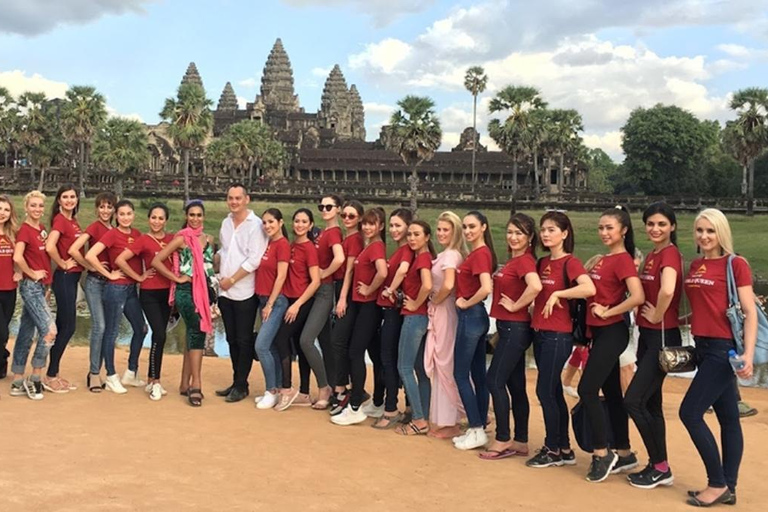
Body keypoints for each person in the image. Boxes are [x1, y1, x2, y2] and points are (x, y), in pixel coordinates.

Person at [680, 208, 755, 507]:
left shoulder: (736, 264)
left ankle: (717, 483)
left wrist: (747, 354)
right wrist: (678, 321)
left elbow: (748, 313)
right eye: (700, 230)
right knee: (728, 418)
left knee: (690, 413)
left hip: (724, 351)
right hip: (702, 346)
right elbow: (705, 308)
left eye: (710, 231)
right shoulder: (696, 265)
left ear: (721, 232)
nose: (704, 236)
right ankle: (730, 487)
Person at [580, 206, 645, 483]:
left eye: (610, 227)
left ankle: (601, 452)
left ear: (624, 230)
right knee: (612, 393)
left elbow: (638, 295)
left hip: (612, 331)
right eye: (601, 227)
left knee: (586, 389)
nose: (604, 232)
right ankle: (624, 451)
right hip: (601, 333)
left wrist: (609, 311)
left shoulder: (623, 260)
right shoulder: (605, 259)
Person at [526, 211, 595, 469]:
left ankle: (552, 448)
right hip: (540, 332)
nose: (546, 234)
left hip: (559, 334)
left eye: (552, 229)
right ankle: (563, 447)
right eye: (543, 229)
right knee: (553, 389)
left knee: (544, 390)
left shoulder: (571, 262)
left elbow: (589, 288)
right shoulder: (542, 262)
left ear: (565, 233)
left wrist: (559, 295)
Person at [623, 202, 683, 489]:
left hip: (661, 337)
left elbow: (668, 289)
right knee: (651, 403)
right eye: (650, 224)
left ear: (672, 226)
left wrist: (658, 313)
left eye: (661, 224)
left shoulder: (669, 255)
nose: (655, 229)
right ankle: (659, 465)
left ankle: (660, 465)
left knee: (633, 400)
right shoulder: (651, 256)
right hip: (648, 336)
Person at [480, 214, 542, 460]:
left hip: (515, 328)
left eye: (519, 233)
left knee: (493, 381)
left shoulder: (524, 261)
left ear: (529, 238)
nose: (513, 237)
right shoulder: (514, 261)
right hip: (510, 328)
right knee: (515, 386)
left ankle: (503, 437)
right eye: (510, 232)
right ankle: (521, 440)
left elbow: (535, 286)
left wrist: (516, 305)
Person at [152, 200, 216, 407]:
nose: (195, 219)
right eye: (192, 215)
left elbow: (209, 267)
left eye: (199, 215)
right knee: (197, 331)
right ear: (186, 217)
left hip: (203, 292)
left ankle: (183, 383)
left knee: (192, 333)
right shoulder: (182, 239)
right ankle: (196, 384)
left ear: (203, 217)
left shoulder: (209, 239)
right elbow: (157, 260)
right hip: (186, 292)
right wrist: (177, 277)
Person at [85, 199, 149, 394]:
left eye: (129, 214)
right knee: (111, 333)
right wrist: (109, 274)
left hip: (131, 290)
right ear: (116, 216)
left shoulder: (138, 234)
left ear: (134, 215)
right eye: (121, 214)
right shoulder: (112, 234)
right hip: (116, 288)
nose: (126, 217)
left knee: (141, 328)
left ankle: (131, 371)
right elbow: (90, 256)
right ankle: (111, 375)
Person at [332, 208, 387, 426]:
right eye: (365, 223)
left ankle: (355, 406)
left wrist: (369, 289)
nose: (366, 227)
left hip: (369, 306)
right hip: (362, 305)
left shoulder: (376, 247)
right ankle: (379, 402)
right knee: (374, 354)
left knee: (355, 352)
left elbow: (382, 272)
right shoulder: (369, 247)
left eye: (372, 224)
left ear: (380, 227)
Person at [115, 203, 175, 401]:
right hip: (149, 293)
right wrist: (139, 277)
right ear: (148, 219)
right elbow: (121, 260)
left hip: (168, 293)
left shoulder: (171, 239)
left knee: (161, 336)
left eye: (160, 218)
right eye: (153, 217)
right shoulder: (142, 240)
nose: (156, 221)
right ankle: (155, 381)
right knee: (158, 332)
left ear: (166, 220)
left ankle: (151, 380)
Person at [216, 183, 267, 403]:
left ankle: (241, 384)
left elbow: (254, 259)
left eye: (238, 198)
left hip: (244, 290)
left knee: (244, 339)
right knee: (231, 339)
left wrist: (233, 279)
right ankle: (238, 380)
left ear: (247, 199)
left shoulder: (255, 225)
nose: (234, 202)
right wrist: (214, 263)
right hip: (224, 291)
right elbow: (224, 251)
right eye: (230, 198)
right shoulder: (226, 222)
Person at [296, 195, 345, 410]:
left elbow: (340, 258)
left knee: (306, 340)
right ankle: (334, 387)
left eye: (329, 207)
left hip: (324, 290)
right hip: (317, 291)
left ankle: (324, 386)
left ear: (338, 209)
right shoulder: (323, 232)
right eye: (322, 206)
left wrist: (325, 272)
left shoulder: (333, 232)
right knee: (325, 342)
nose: (324, 209)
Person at [452, 211, 496, 450]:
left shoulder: (480, 254)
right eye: (465, 227)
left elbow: (486, 287)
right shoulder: (479, 253)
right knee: (478, 374)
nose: (468, 231)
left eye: (472, 227)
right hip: (476, 318)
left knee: (459, 374)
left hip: (471, 316)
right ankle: (479, 423)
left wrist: (466, 302)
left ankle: (476, 427)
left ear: (484, 228)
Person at [273, 208, 321, 411]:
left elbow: (316, 281)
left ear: (310, 225)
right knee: (298, 345)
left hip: (302, 302)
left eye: (304, 222)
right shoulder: (291, 246)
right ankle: (304, 392)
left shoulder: (309, 248)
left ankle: (286, 388)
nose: (300, 225)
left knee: (281, 339)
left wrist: (297, 304)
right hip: (290, 299)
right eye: (297, 221)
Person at [10, 191, 56, 400]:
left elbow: (43, 258)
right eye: (33, 206)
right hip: (31, 286)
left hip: (41, 288)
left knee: (26, 332)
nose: (37, 209)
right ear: (26, 207)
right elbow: (18, 257)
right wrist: (32, 274)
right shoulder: (25, 231)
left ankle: (18, 379)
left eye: (40, 206)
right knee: (49, 331)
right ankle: (35, 376)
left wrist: (46, 286)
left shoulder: (42, 230)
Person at [68, 192, 117, 392]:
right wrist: (89, 266)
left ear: (114, 209)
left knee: (110, 330)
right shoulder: (94, 227)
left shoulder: (115, 229)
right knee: (100, 326)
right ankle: (94, 373)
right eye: (102, 207)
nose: (105, 211)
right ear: (96, 209)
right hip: (95, 283)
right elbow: (74, 249)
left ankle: (102, 370)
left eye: (109, 207)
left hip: (111, 285)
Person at [424, 211, 465, 439]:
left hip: (445, 311)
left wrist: (434, 300)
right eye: (438, 229)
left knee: (445, 364)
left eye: (445, 230)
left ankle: (453, 420)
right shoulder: (446, 254)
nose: (440, 233)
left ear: (455, 232)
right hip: (442, 310)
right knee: (441, 364)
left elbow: (449, 285)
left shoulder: (450, 256)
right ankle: (446, 418)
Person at [372, 208, 414, 428]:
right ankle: (407, 406)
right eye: (393, 225)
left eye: (399, 225)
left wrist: (390, 289)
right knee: (395, 359)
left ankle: (391, 409)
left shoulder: (406, 249)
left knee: (389, 359)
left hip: (394, 311)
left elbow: (403, 270)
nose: (394, 229)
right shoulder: (398, 250)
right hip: (391, 311)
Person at [394, 220, 435, 435]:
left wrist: (415, 303)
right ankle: (423, 415)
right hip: (419, 318)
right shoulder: (422, 257)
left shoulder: (422, 258)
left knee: (405, 367)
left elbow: (427, 285)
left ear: (427, 237)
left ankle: (419, 419)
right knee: (420, 369)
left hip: (414, 317)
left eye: (416, 234)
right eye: (409, 234)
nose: (411, 238)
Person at [43, 184, 82, 393]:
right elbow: (50, 246)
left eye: (72, 197)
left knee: (63, 325)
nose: (69, 200)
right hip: (65, 277)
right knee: (68, 326)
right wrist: (63, 263)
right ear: (59, 201)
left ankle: (53, 373)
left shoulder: (73, 222)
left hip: (72, 278)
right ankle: (50, 375)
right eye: (65, 197)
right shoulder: (60, 220)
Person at [329, 200, 365, 415]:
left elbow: (350, 270)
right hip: (341, 288)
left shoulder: (355, 239)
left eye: (352, 216)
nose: (347, 219)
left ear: (360, 218)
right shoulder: (347, 237)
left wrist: (342, 298)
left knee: (338, 341)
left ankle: (342, 389)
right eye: (344, 216)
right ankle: (343, 387)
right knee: (340, 341)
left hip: (347, 290)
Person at [253, 208, 290, 410]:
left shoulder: (282, 245)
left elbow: (281, 276)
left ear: (280, 222)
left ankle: (271, 390)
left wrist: (269, 304)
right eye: (265, 222)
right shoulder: (269, 244)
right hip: (263, 299)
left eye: (271, 222)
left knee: (261, 346)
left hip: (275, 302)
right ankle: (274, 387)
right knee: (272, 346)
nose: (267, 226)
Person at [0, 195, 21, 380]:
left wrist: (20, 271)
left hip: (9, 287)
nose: (2, 213)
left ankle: (1, 361)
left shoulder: (13, 234)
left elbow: (22, 257)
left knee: (4, 326)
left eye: (6, 210)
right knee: (2, 331)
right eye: (0, 209)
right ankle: (4, 355)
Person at [618, 248, 644, 394]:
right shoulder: (616, 281)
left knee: (629, 366)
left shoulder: (636, 284)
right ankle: (629, 403)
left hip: (632, 331)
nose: (633, 270)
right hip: (615, 330)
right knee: (627, 365)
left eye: (636, 266)